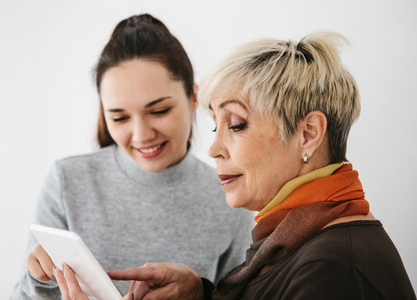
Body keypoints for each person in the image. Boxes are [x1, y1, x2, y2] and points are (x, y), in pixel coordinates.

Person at [55, 31, 416, 299]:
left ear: (308, 133)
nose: (213, 148)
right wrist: (199, 294)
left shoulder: (332, 269)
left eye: (237, 125)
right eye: (215, 125)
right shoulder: (296, 243)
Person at [10, 14, 254, 299]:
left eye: (159, 111)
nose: (141, 135)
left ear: (193, 98)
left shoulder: (229, 193)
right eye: (120, 117)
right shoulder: (67, 181)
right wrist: (40, 281)